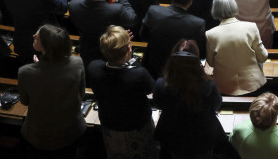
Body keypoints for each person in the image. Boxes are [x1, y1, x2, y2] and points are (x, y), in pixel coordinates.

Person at [87, 26, 155, 159]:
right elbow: (150, 88)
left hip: (109, 122)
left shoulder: (93, 68)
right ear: (129, 49)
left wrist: (116, 47)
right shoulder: (138, 74)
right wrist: (131, 59)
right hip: (136, 125)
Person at [18, 25, 85, 155]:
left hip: (40, 136)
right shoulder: (77, 62)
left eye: (37, 37)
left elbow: (25, 101)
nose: (33, 35)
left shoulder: (25, 72)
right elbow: (81, 93)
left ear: (45, 46)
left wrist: (37, 68)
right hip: (72, 130)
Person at [153, 40, 226, 157]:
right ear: (197, 62)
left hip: (171, 137)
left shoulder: (161, 84)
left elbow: (158, 104)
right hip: (202, 137)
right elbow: (217, 105)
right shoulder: (209, 85)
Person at [206, 0, 268, 96]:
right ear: (234, 7)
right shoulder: (251, 27)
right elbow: (263, 57)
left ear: (215, 11)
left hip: (224, 87)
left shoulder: (210, 34)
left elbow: (211, 63)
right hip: (253, 85)